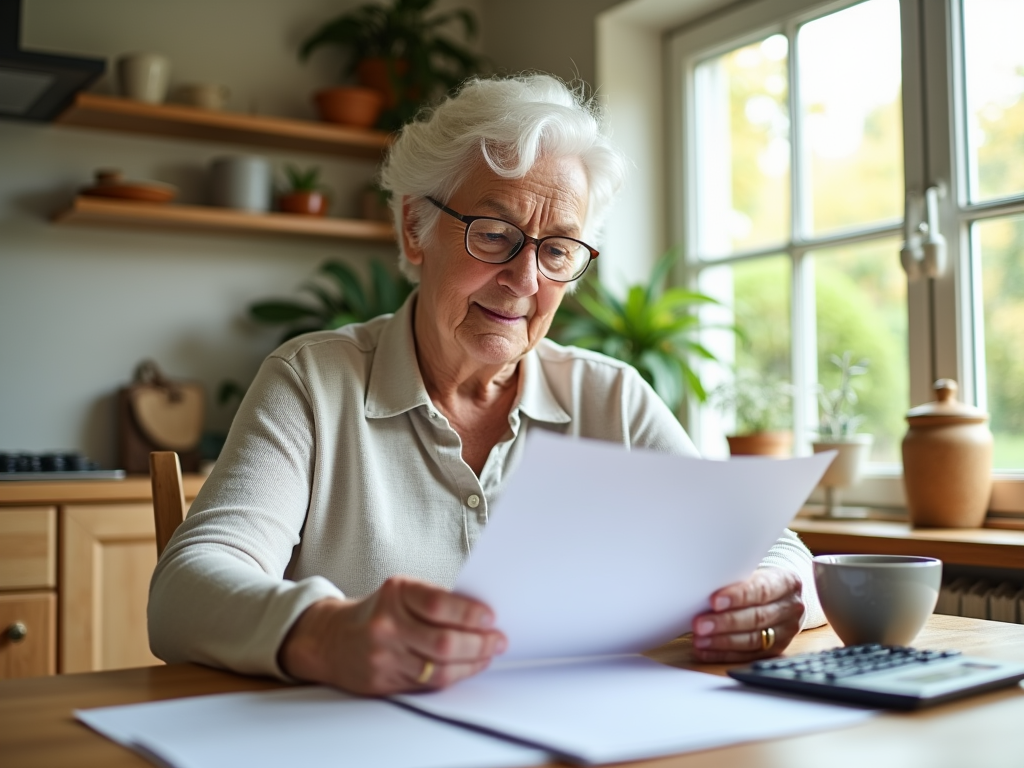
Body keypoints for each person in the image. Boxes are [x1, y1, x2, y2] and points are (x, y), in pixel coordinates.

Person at [148, 74, 824, 695]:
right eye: (495, 234)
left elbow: (771, 547)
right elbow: (184, 591)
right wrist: (325, 633)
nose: (525, 281)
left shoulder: (610, 398)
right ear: (416, 229)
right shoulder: (312, 383)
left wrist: (774, 589)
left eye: (557, 249)